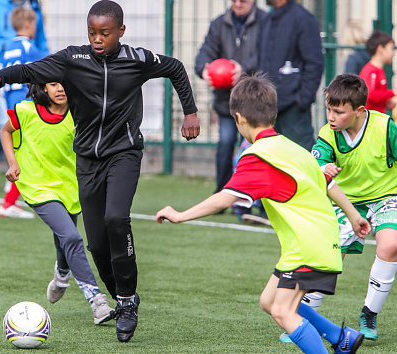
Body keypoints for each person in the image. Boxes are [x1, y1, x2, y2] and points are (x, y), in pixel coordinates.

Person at [0, 0, 200, 343]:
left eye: (105, 33)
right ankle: (122, 298)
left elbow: (175, 67)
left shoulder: (137, 60)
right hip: (87, 161)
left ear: (121, 32)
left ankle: (126, 301)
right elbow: (31, 70)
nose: (97, 39)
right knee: (96, 244)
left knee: (116, 219)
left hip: (124, 154)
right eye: (92, 33)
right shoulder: (73, 59)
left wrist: (190, 112)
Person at [156, 73, 369, 354]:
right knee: (269, 301)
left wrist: (181, 214)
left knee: (283, 311)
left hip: (308, 247)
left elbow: (226, 197)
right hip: (317, 242)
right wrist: (353, 216)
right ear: (273, 113)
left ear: (239, 118)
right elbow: (327, 182)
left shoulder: (258, 156)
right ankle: (341, 337)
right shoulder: (291, 147)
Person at [0, 81, 114, 325]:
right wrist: (13, 163)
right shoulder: (26, 111)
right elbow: (5, 131)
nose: (60, 89)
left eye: (64, 84)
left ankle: (62, 275)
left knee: (66, 236)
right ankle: (96, 300)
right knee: (72, 237)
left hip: (70, 186)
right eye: (53, 85)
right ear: (42, 88)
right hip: (37, 187)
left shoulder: (79, 113)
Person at [309, 73, 397, 341]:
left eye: (338, 111)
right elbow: (317, 166)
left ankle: (369, 314)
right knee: (331, 255)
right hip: (347, 201)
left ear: (360, 111)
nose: (331, 117)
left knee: (391, 245)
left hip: (386, 196)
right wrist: (324, 167)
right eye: (328, 109)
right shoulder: (328, 134)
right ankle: (306, 316)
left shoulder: (385, 128)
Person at [195, 0, 266, 220]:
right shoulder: (219, 24)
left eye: (243, 0)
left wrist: (243, 69)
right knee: (225, 144)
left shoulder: (265, 21)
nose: (238, 3)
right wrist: (204, 69)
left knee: (258, 149)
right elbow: (204, 54)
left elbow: (267, 54)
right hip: (227, 103)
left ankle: (261, 200)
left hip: (256, 102)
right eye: (234, 0)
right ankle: (221, 196)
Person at [0, 0, 48, 190]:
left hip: (16, 87)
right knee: (11, 127)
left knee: (14, 129)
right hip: (6, 84)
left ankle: (12, 178)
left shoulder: (33, 8)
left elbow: (43, 45)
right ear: (27, 25)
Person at [0, 6, 46, 219]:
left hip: (10, 104)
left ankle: (11, 196)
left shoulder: (7, 47)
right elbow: (47, 66)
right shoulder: (29, 48)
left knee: (22, 153)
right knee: (27, 155)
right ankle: (8, 203)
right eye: (35, 24)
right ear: (28, 24)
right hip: (26, 106)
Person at [258, 0, 323, 151]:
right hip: (267, 108)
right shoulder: (268, 19)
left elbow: (314, 63)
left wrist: (302, 99)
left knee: (302, 160)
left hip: (294, 110)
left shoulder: (303, 19)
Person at [359, 30, 397, 114]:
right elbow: (370, 94)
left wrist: (386, 102)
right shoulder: (370, 70)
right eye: (391, 48)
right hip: (370, 119)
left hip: (378, 118)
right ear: (380, 49)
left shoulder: (380, 70)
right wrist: (392, 92)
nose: (393, 53)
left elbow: (377, 96)